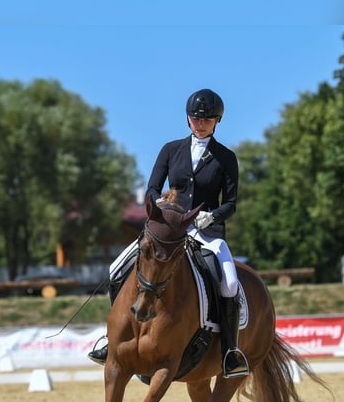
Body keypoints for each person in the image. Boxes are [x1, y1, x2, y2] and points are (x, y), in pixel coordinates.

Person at [88, 88, 249, 378]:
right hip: (168, 229)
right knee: (116, 268)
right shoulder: (170, 149)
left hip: (206, 231)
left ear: (217, 121)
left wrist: (211, 215)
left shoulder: (226, 157)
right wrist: (162, 204)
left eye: (207, 119)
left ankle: (229, 351)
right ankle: (110, 339)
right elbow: (151, 188)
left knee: (229, 283)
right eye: (195, 118)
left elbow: (231, 203)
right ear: (188, 119)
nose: (200, 123)